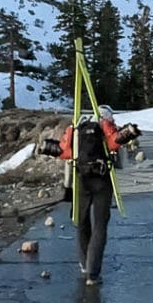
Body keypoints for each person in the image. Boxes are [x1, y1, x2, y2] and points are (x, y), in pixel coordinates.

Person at [43, 106, 140, 286]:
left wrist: (67, 187)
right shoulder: (106, 125)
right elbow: (117, 152)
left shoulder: (76, 127)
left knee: (82, 222)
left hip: (81, 180)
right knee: (100, 226)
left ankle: (84, 264)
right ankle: (93, 274)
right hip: (102, 180)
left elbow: (65, 153)